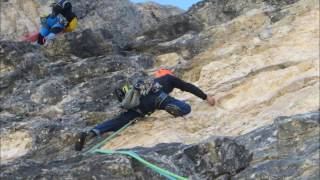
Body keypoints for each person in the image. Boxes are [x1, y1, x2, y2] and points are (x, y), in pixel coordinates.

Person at [75, 69, 215, 151]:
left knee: (119, 121)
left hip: (139, 105)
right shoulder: (169, 78)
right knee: (186, 108)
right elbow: (187, 86)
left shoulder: (149, 82)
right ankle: (173, 108)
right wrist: (205, 96)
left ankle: (92, 132)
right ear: (168, 74)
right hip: (158, 98)